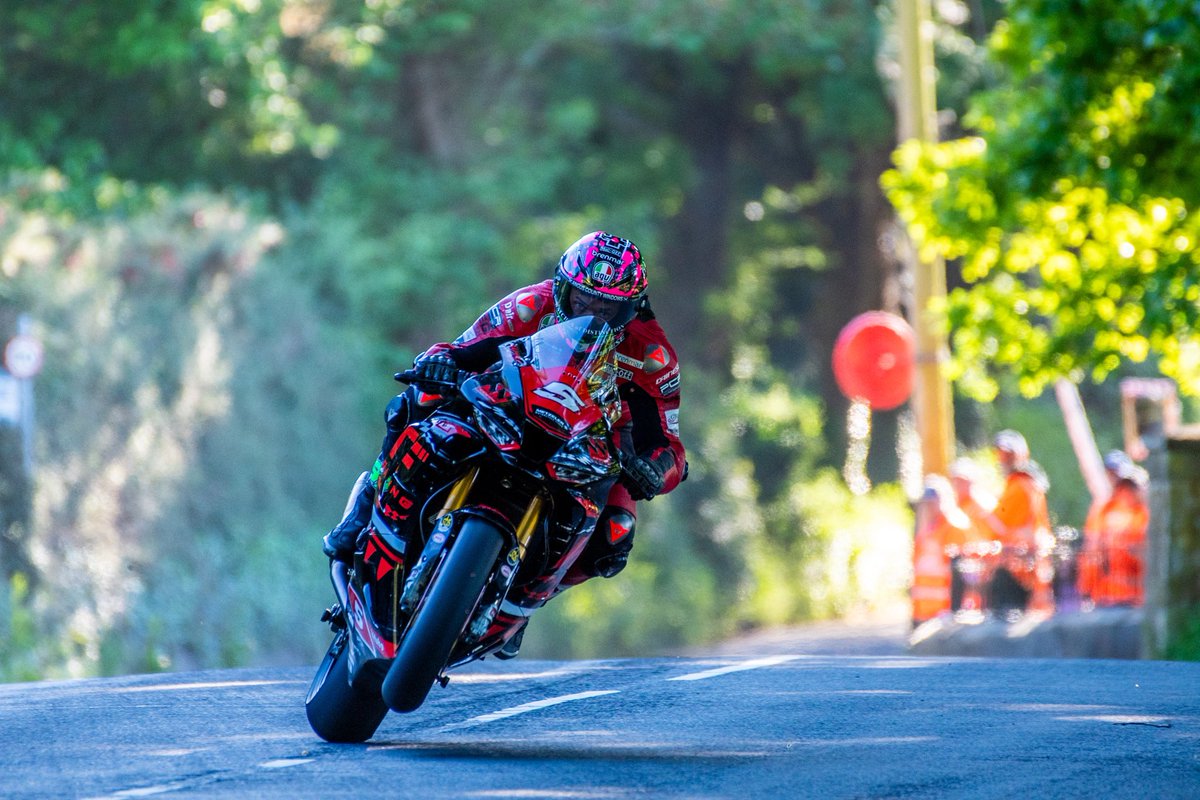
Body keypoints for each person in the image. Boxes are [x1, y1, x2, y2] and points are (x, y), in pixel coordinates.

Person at [321, 231, 686, 658]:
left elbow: (669, 445)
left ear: (634, 307)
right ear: (562, 287)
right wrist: (440, 363)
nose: (591, 313)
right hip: (510, 403)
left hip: (593, 442)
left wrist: (655, 469)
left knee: (615, 535)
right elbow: (461, 348)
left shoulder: (654, 355)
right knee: (415, 399)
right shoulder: (533, 303)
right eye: (582, 301)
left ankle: (523, 603)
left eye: (608, 308)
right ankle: (369, 502)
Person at [983, 430, 1054, 618]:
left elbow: (1001, 526)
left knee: (1009, 620)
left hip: (1016, 566)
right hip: (1023, 565)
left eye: (1008, 455)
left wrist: (983, 511)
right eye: (1001, 454)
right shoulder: (1026, 484)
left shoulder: (1020, 485)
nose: (1003, 459)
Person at [1077, 450, 1149, 608]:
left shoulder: (1143, 513)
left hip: (1135, 600)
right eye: (1110, 473)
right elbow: (1091, 552)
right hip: (1106, 597)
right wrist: (1086, 590)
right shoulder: (1103, 510)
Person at [911, 475, 967, 627]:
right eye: (926, 502)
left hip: (944, 615)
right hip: (923, 613)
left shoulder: (954, 527)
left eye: (933, 501)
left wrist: (955, 611)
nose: (929, 506)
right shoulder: (926, 530)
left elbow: (960, 574)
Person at [946, 458, 999, 615]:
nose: (958, 485)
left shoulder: (983, 505)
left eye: (962, 481)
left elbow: (996, 534)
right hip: (960, 565)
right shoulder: (953, 505)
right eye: (955, 481)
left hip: (982, 564)